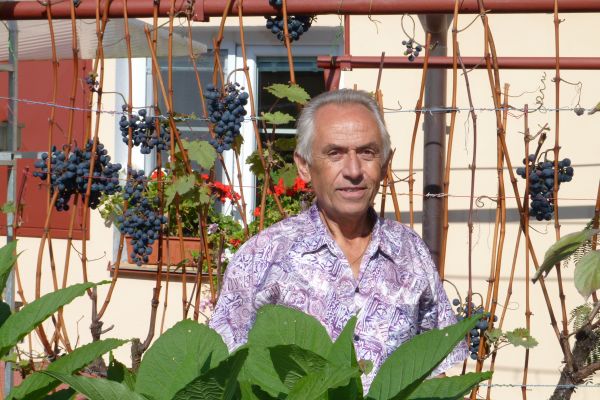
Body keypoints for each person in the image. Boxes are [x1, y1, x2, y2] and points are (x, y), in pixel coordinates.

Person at [209, 89, 468, 391]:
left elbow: (435, 369)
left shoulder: (409, 252)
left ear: (385, 164)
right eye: (335, 153)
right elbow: (225, 373)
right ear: (304, 166)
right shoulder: (262, 256)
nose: (354, 171)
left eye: (367, 152)